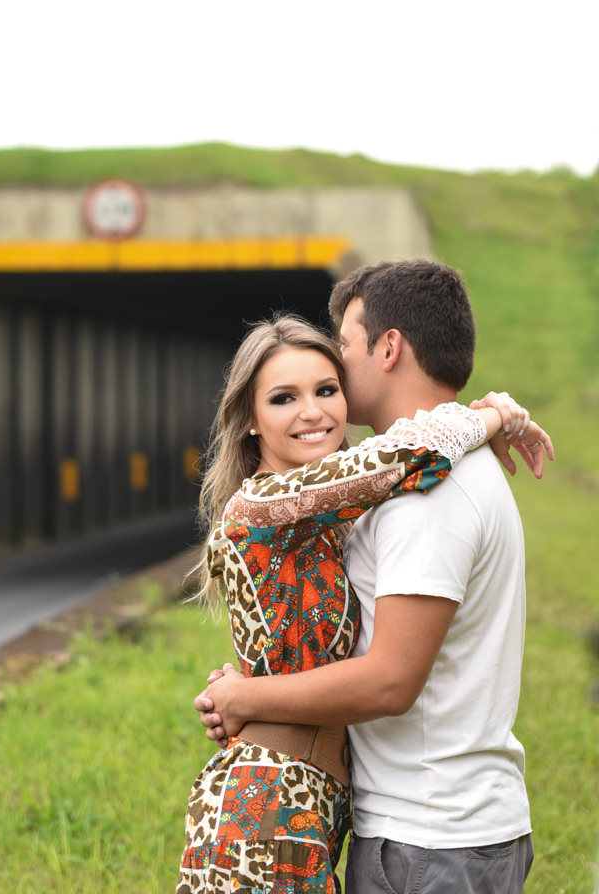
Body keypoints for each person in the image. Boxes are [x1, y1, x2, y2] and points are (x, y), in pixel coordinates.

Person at [195, 261, 554, 894]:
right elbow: (403, 454)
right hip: (276, 804)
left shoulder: (414, 494)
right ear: (250, 418)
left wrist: (243, 696)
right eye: (283, 397)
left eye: (330, 376)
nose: (313, 410)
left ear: (387, 348)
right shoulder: (279, 504)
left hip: (410, 828)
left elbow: (388, 677)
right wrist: (492, 414)